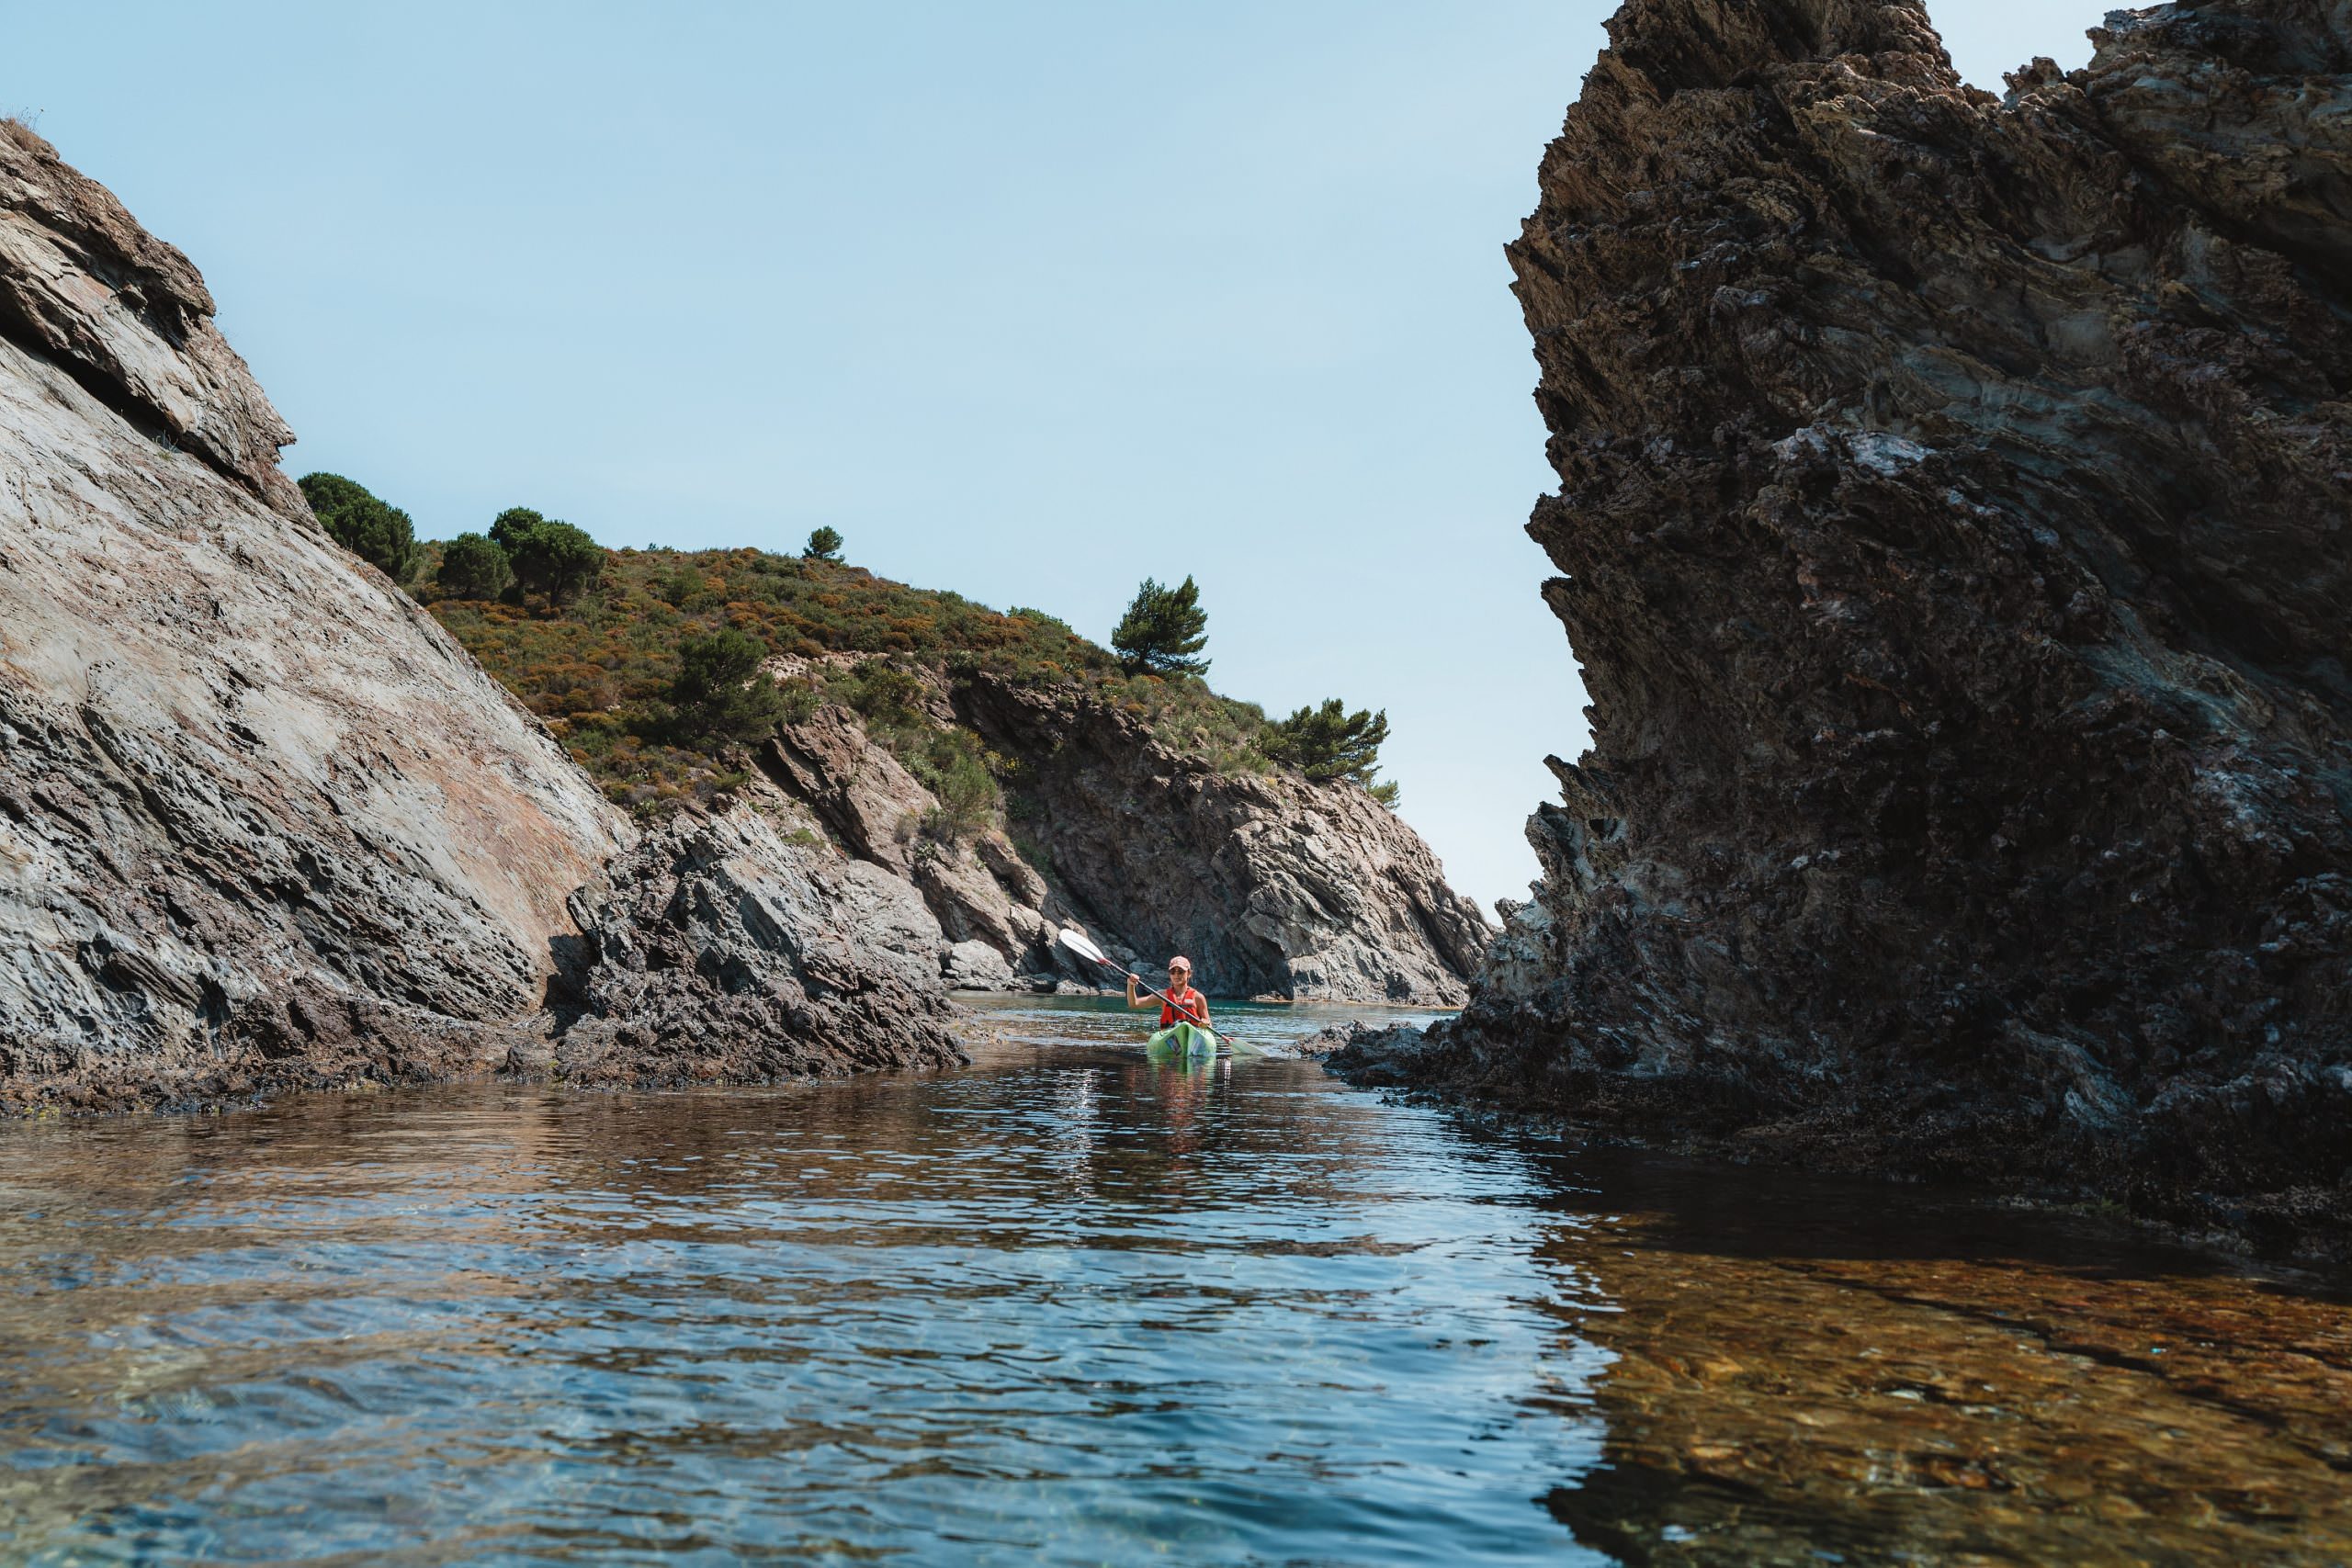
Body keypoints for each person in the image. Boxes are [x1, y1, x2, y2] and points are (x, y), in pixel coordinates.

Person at [1126, 955, 1210, 1032]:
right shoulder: (1162, 995)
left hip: (1193, 1036)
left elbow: (1208, 1024)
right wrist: (1130, 985)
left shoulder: (1198, 997)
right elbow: (1134, 1004)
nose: (1176, 975)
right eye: (1173, 972)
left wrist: (1205, 1022)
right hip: (1170, 1036)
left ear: (1189, 973)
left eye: (1180, 972)